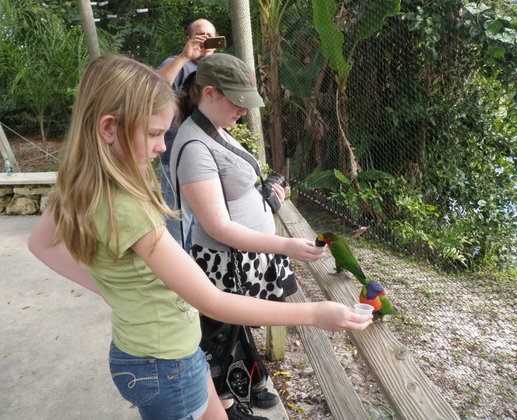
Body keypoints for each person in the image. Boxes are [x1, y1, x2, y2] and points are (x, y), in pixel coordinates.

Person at [27, 54, 373, 420]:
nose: (162, 146)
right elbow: (212, 301)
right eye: (154, 134)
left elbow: (40, 244)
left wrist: (113, 289)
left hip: (163, 351)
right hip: (166, 366)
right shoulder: (128, 208)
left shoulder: (78, 181)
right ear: (109, 128)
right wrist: (315, 313)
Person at [168, 53, 318, 420]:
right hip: (222, 262)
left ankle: (246, 388)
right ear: (209, 93)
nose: (243, 109)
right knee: (218, 338)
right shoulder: (194, 146)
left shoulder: (216, 126)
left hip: (242, 256)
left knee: (234, 331)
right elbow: (218, 226)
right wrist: (287, 246)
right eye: (237, 100)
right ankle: (226, 407)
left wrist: (268, 198)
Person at [157, 18, 218, 250]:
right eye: (200, 35)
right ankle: (176, 265)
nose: (206, 39)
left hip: (206, 154)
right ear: (188, 39)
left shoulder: (216, 68)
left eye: (210, 35)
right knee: (178, 220)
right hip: (174, 154)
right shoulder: (177, 63)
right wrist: (185, 56)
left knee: (201, 219)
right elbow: (154, 88)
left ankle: (194, 264)